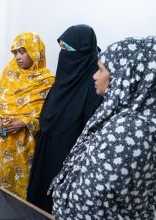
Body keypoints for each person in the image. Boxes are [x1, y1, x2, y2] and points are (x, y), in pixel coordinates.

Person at [50, 36, 156, 219]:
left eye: (101, 70)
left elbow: (96, 196)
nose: (95, 75)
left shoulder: (132, 130)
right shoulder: (121, 114)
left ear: (124, 77)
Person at [27, 24, 103, 212]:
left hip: (69, 153)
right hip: (47, 145)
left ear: (83, 52)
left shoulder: (93, 87)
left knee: (59, 200)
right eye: (61, 49)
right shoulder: (63, 80)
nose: (63, 56)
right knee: (40, 195)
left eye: (67, 50)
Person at [0, 32, 55, 200]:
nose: (17, 57)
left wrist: (25, 121)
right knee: (2, 172)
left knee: (22, 177)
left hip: (25, 140)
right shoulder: (10, 71)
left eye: (22, 52)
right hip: (3, 136)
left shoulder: (47, 80)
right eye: (15, 52)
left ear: (35, 52)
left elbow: (48, 113)